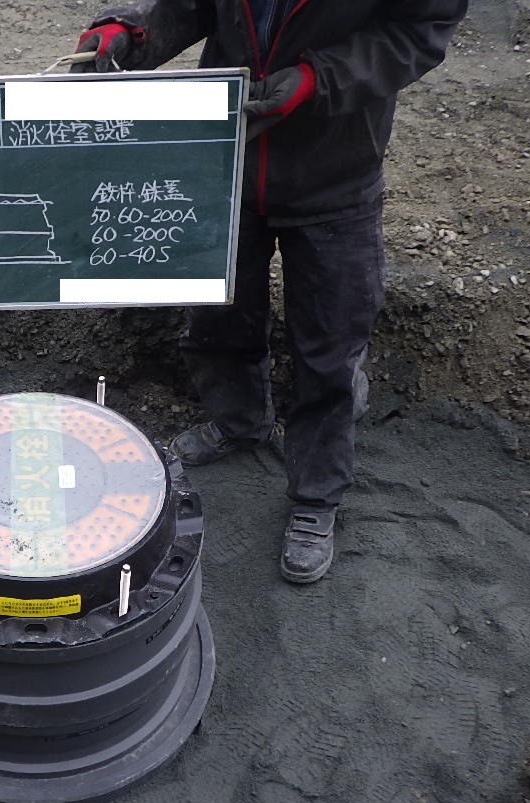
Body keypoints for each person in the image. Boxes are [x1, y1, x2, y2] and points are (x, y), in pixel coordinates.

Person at [73, 0, 468, 583]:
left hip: (335, 173)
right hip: (225, 158)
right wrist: (132, 34)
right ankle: (239, 421)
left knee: (331, 346)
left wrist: (315, 80)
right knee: (219, 313)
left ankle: (316, 494)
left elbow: (419, 29)